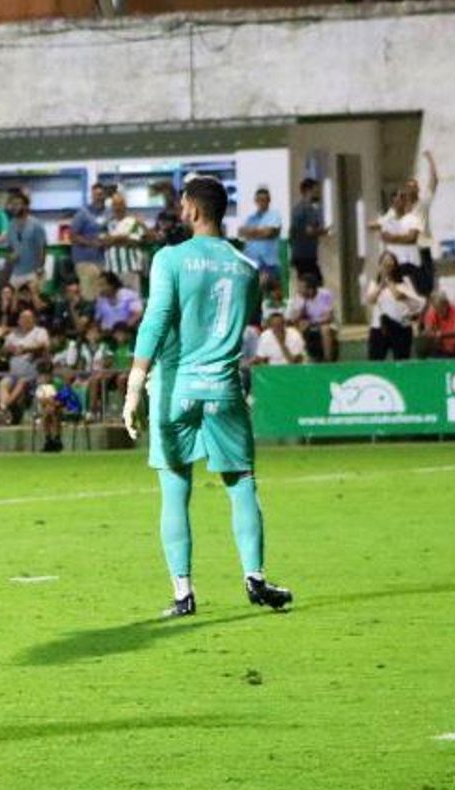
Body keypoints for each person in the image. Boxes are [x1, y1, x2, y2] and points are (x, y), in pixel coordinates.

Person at [121, 175, 293, 619]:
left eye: (182, 205)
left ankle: (184, 594)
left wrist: (134, 384)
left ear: (193, 210)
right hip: (224, 389)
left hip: (175, 388)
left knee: (175, 490)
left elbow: (156, 320)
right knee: (242, 485)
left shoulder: (170, 258)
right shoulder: (248, 268)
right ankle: (255, 577)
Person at [364, 251, 425, 360]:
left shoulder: (404, 282)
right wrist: (381, 285)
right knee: (375, 358)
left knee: (402, 358)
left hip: (401, 325)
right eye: (384, 263)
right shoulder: (375, 284)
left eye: (390, 263)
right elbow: (370, 300)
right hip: (380, 327)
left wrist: (389, 281)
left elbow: (398, 296)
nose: (387, 266)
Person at [289, 178, 328, 284]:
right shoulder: (307, 209)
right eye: (315, 190)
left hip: (300, 254)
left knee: (307, 284)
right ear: (308, 191)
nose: (318, 193)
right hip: (306, 255)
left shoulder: (297, 208)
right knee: (314, 284)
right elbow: (309, 231)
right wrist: (323, 231)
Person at [238, 187, 283, 278]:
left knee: (268, 290)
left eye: (264, 200)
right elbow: (241, 232)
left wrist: (251, 233)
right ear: (255, 201)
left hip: (268, 264)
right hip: (251, 262)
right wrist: (261, 232)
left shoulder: (274, 215)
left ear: (269, 200)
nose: (261, 202)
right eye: (259, 200)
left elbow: (269, 233)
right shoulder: (251, 218)